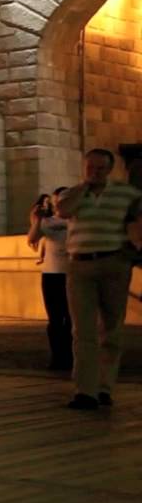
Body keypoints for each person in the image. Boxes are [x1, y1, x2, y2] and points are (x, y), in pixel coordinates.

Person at [55, 149, 142, 410]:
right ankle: (85, 391)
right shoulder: (72, 194)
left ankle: (105, 386)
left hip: (114, 263)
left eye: (101, 168)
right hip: (80, 265)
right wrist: (84, 187)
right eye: (90, 168)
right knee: (83, 331)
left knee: (111, 328)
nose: (95, 172)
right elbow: (64, 211)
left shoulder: (127, 195)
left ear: (110, 169)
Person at [27, 189, 71, 372]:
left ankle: (72, 356)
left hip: (71, 273)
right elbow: (32, 239)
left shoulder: (76, 220)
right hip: (51, 274)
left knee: (71, 319)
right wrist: (36, 220)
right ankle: (57, 357)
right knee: (54, 319)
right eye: (56, 201)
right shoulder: (47, 222)